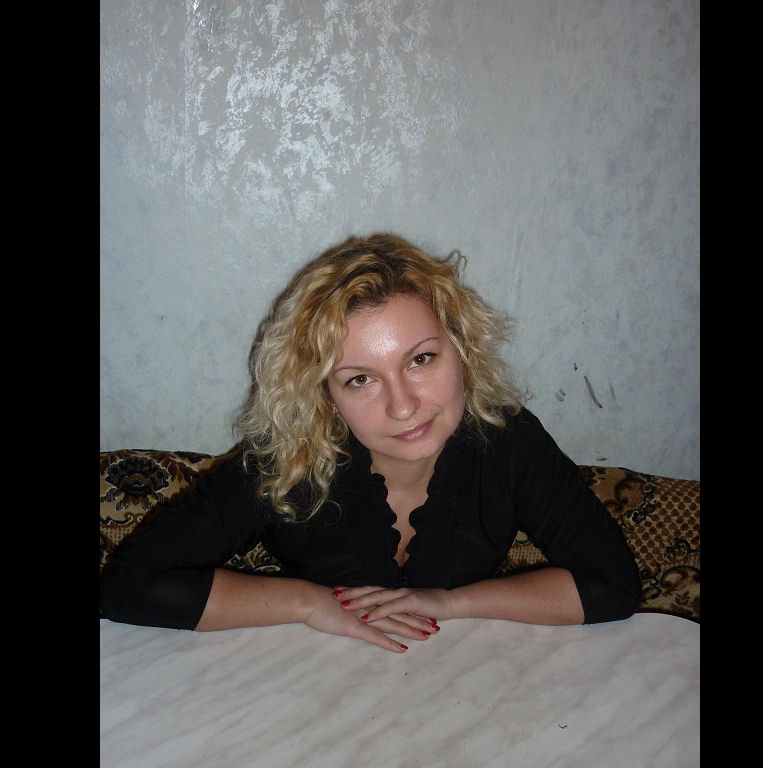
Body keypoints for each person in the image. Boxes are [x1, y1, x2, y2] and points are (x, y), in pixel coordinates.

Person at [100, 233, 641, 653]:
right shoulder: (289, 458)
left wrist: (453, 603)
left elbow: (613, 586)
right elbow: (128, 587)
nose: (403, 406)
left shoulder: (507, 441)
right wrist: (308, 603)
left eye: (421, 359)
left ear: (461, 349)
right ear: (323, 393)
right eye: (360, 379)